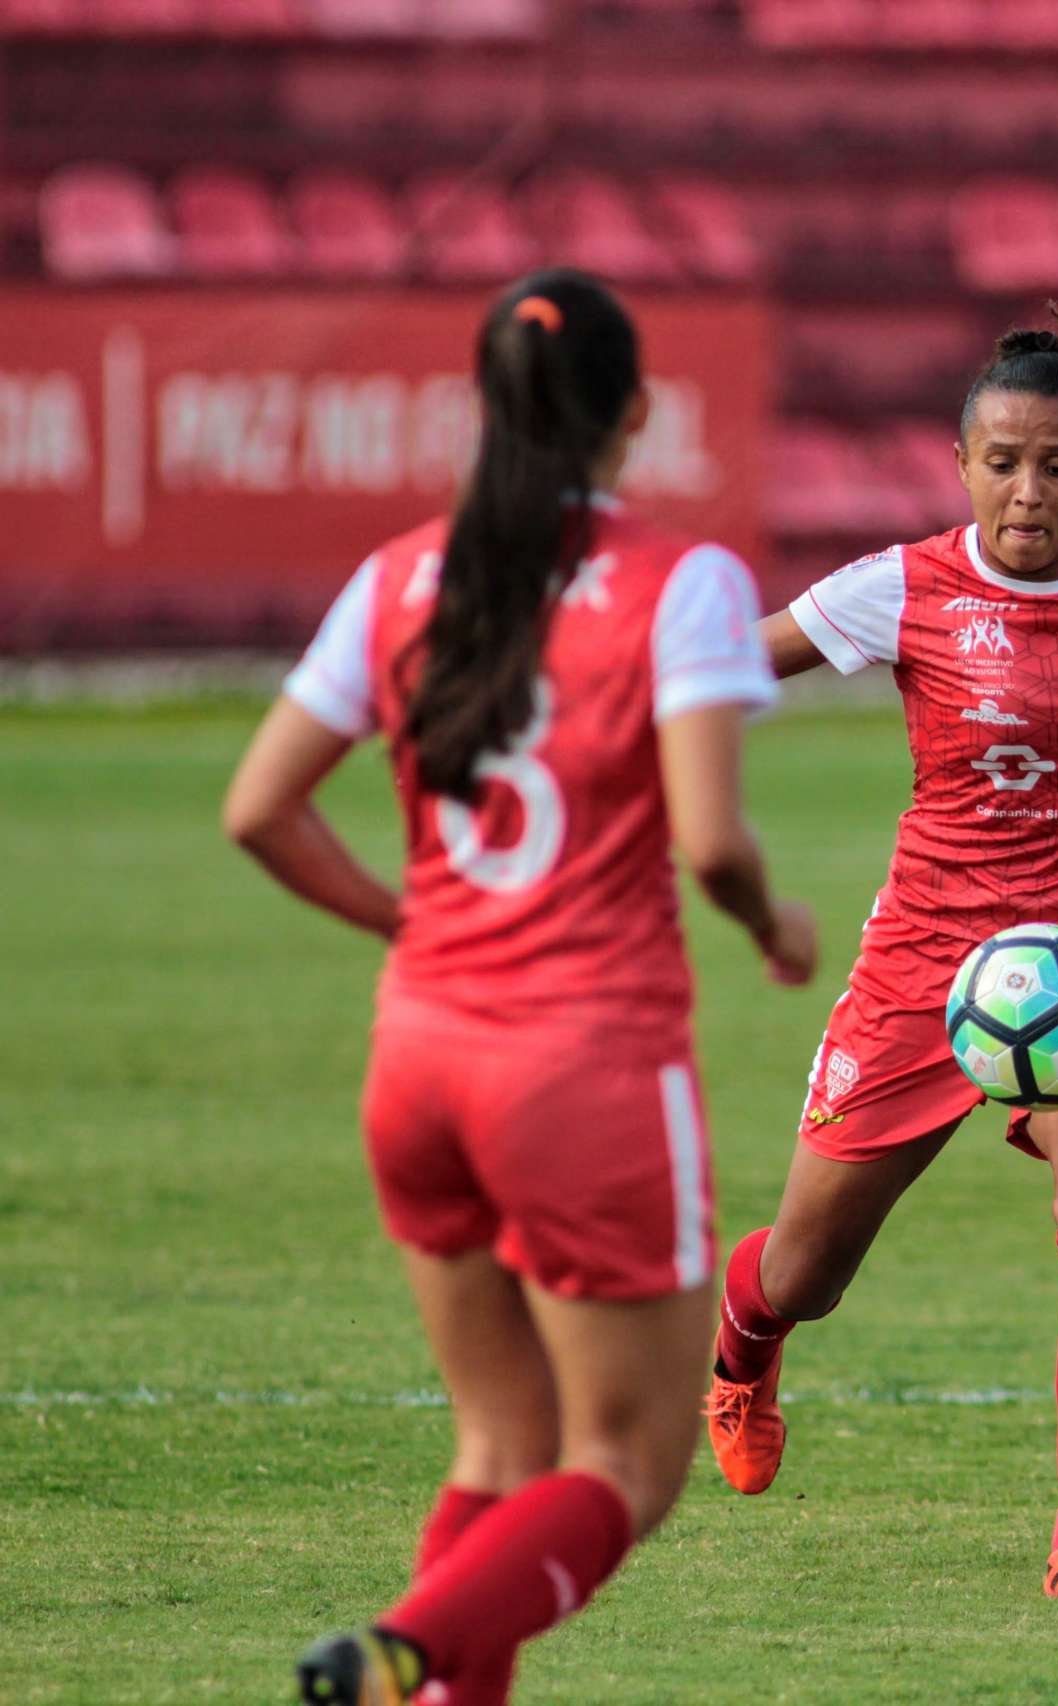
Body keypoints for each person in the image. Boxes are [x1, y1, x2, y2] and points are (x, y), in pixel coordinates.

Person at [226, 269, 816, 1706]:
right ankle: (407, 1647)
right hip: (585, 1068)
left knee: (497, 1448)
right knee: (625, 1460)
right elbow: (710, 838)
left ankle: (419, 1664)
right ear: (636, 414)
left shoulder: (401, 577)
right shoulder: (684, 584)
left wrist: (406, 919)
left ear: (483, 407)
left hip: (420, 1054)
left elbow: (257, 807)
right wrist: (769, 919)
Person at [699, 306, 1058, 1603]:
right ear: (962, 464)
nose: (1030, 490)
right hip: (928, 958)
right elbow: (729, 670)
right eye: (1004, 461)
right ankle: (743, 1345)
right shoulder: (902, 587)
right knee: (808, 1268)